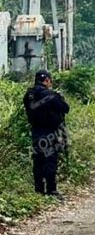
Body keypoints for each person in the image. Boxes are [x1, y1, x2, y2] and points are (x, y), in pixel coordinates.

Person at [23, 70, 70, 199]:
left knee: (38, 161)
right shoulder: (51, 95)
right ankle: (51, 190)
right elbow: (65, 108)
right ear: (47, 80)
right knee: (50, 160)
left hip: (36, 132)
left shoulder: (29, 95)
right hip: (50, 132)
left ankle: (38, 189)